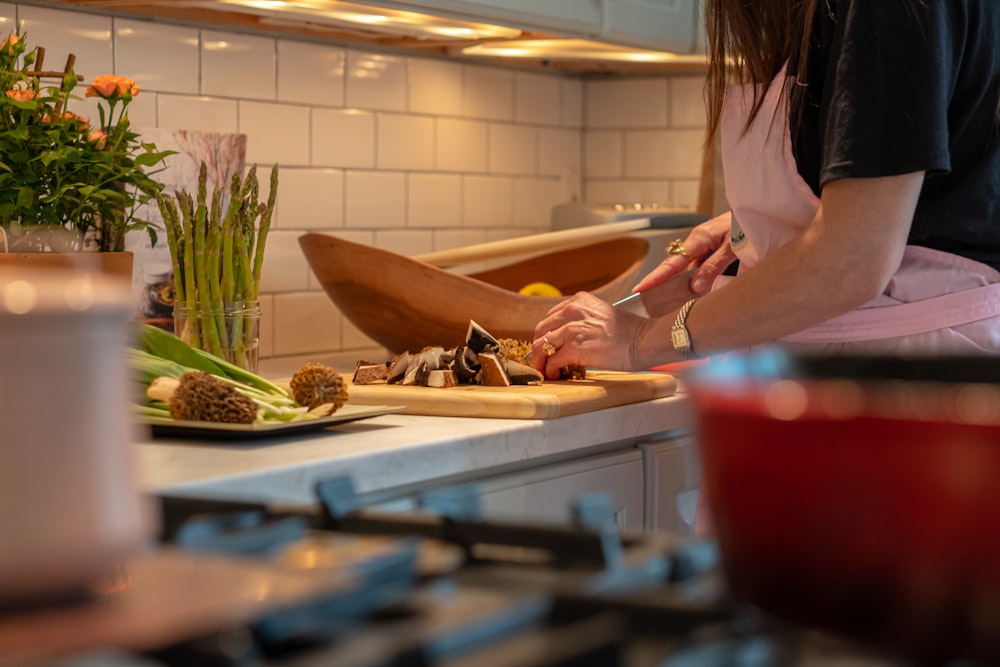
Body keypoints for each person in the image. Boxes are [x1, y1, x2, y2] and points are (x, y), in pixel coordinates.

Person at [531, 0, 1000, 378]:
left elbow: (853, 259)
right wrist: (766, 223)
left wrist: (640, 340)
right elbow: (942, 192)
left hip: (897, 387)